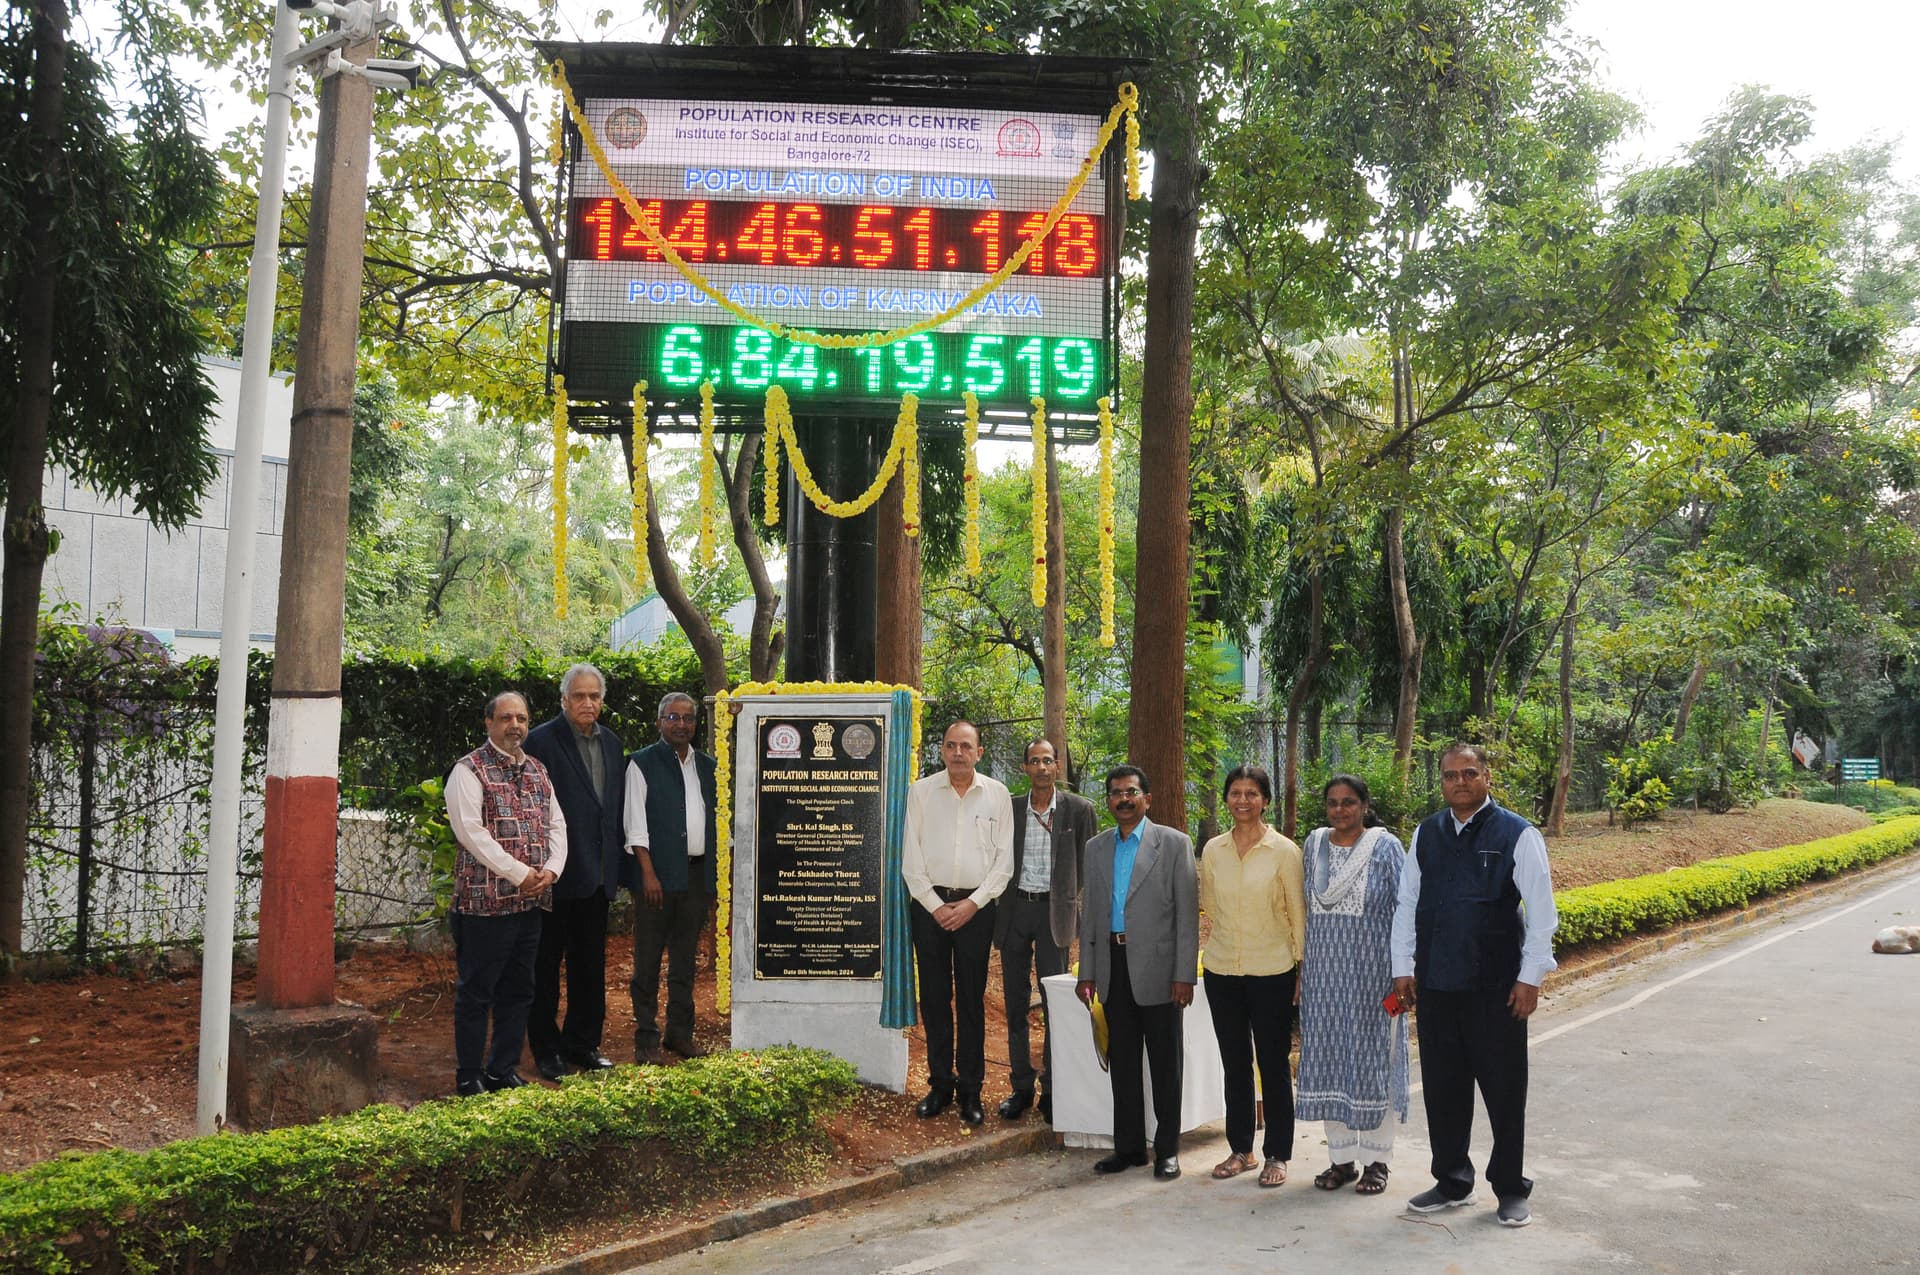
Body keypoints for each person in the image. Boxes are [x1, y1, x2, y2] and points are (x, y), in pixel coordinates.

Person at [1391, 742, 1558, 1228]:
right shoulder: (1426, 834)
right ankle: (1452, 1180)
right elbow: (1407, 905)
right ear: (1440, 781)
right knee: (1443, 1089)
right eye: (1449, 775)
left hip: (1496, 988)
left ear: (1487, 777)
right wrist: (1403, 967)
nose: (1459, 782)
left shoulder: (1518, 834)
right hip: (1438, 986)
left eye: (1469, 773)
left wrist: (1530, 978)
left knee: (1504, 1091)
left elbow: (1542, 915)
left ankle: (1509, 1187)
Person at [443, 691, 567, 1096]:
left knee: (519, 989)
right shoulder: (468, 770)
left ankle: (501, 1070)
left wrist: (550, 870)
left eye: (522, 718)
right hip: (485, 907)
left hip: (530, 904)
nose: (515, 725)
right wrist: (519, 873)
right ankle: (469, 1075)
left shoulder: (537, 771)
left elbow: (556, 827)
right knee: (477, 992)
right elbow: (471, 833)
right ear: (489, 723)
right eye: (506, 718)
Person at [1078, 765, 1198, 1181]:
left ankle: (1167, 1150)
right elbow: (1090, 915)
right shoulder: (1095, 848)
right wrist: (1086, 972)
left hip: (1162, 973)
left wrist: (1185, 974)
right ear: (1108, 800)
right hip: (1112, 968)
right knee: (1123, 1064)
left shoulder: (1174, 844)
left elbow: (1187, 916)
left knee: (1166, 1066)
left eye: (1132, 791)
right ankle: (1128, 1149)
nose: (1123, 799)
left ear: (1148, 798)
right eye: (1115, 793)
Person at [1296, 773, 1411, 1198]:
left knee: (1373, 1060)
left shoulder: (1386, 847)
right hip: (1325, 976)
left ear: (1364, 805)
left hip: (1373, 976)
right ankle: (1340, 1160)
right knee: (1331, 1058)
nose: (1340, 810)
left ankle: (1377, 1161)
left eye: (1348, 802)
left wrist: (1405, 972)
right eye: (1332, 803)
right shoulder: (1313, 846)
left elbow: (1406, 911)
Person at [1197, 764, 1306, 1188]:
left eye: (1252, 793)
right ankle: (1241, 1149)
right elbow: (1209, 905)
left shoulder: (1284, 851)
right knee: (1235, 1062)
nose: (1243, 800)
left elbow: (1297, 914)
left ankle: (1278, 1153)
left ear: (1265, 800)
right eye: (1235, 793)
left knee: (1273, 1062)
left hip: (1272, 970)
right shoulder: (1213, 850)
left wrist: (1301, 969)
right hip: (1222, 968)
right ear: (1226, 798)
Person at [903, 720, 1015, 1126]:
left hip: (977, 910)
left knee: (971, 999)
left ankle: (971, 1089)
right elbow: (910, 860)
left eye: (966, 746)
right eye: (950, 745)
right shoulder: (921, 793)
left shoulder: (998, 795)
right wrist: (935, 906)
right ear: (941, 751)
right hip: (929, 908)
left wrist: (972, 904)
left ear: (979, 752)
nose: (957, 753)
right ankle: (939, 1085)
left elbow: (1004, 864)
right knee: (933, 998)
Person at [521, 663, 626, 1080]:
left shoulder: (614, 745)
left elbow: (610, 812)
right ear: (564, 699)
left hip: (597, 876)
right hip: (553, 876)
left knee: (589, 965)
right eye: (579, 696)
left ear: (602, 700)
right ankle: (546, 1050)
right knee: (543, 967)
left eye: (594, 696)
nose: (587, 703)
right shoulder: (540, 742)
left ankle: (582, 1043)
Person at [994, 737, 1099, 1123]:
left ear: (1058, 767)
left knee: (1055, 1000)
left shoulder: (1079, 810)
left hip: (1055, 916)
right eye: (1034, 761)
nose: (1041, 767)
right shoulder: (1010, 809)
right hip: (1015, 911)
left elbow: (1092, 868)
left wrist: (1083, 915)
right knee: (1016, 1004)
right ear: (1025, 768)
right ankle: (1021, 1086)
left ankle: (1054, 1089)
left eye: (1048, 761)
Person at [623, 691, 717, 1064]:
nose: (682, 725)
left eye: (688, 718)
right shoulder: (641, 764)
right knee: (647, 960)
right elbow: (634, 824)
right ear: (659, 721)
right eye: (673, 718)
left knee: (684, 960)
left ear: (696, 724)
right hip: (655, 879)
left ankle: (679, 1034)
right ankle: (646, 1038)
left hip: (696, 878)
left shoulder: (710, 767)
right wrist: (648, 873)